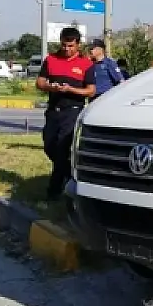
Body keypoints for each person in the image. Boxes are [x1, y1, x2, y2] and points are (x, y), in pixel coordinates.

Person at [37, 27, 96, 200]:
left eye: (70, 46)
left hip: (72, 111)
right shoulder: (51, 59)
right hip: (53, 110)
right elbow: (40, 82)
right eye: (64, 45)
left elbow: (91, 91)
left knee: (62, 148)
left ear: (78, 45)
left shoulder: (86, 64)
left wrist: (70, 89)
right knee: (50, 147)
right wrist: (50, 86)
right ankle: (70, 174)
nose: (67, 49)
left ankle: (53, 192)